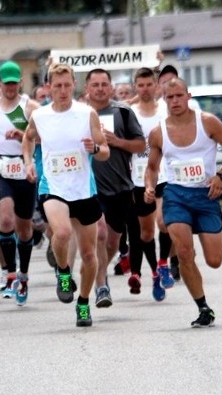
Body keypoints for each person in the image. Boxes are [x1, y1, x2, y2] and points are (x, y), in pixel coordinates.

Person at [22, 63, 109, 327]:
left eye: (67, 85)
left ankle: (83, 303)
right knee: (61, 233)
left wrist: (95, 148)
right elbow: (28, 138)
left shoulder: (87, 114)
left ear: (74, 86)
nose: (62, 91)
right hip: (53, 186)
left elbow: (105, 150)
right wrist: (28, 162)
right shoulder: (41, 116)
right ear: (49, 87)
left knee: (89, 254)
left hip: (83, 189)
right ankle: (63, 272)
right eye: (57, 86)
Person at [144, 77, 222, 327]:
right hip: (176, 195)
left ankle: (192, 252)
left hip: (206, 196)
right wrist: (150, 186)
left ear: (188, 96)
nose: (174, 101)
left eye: (179, 96)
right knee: (184, 252)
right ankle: (203, 307)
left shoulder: (208, 122)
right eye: (169, 97)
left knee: (215, 260)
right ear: (164, 100)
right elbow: (151, 168)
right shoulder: (158, 132)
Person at [0, 60, 41, 305]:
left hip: (24, 169)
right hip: (0, 169)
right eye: (6, 84)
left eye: (14, 83)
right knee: (5, 219)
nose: (10, 88)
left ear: (20, 83)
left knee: (24, 228)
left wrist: (23, 135)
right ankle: (10, 273)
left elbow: (40, 138)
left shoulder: (31, 108)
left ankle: (24, 276)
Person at [85, 68, 145, 309]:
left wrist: (117, 142)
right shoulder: (79, 114)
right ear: (87, 89)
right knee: (98, 235)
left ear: (110, 87)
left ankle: (102, 270)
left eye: (104, 84)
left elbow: (141, 145)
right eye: (95, 84)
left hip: (120, 187)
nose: (100, 88)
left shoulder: (123, 111)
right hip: (90, 187)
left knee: (111, 243)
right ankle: (101, 285)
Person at [127, 67, 173, 300]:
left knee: (164, 222)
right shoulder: (129, 112)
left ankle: (164, 263)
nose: (145, 89)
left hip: (164, 173)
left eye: (149, 85)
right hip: (137, 177)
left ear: (156, 86)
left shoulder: (165, 110)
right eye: (141, 85)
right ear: (136, 87)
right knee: (145, 234)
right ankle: (155, 272)